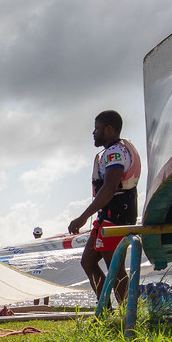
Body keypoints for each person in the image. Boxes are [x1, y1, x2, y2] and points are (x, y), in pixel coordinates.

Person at [66, 110, 141, 303]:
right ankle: (104, 309)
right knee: (88, 262)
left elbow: (109, 188)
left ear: (109, 129)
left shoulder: (116, 152)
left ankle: (128, 315)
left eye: (97, 129)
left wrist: (82, 217)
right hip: (105, 217)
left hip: (116, 216)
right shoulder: (110, 153)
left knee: (114, 267)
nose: (93, 133)